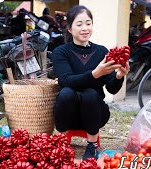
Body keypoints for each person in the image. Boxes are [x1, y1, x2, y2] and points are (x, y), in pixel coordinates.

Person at [52, 5, 130, 160]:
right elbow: (66, 80)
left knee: (90, 94)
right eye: (79, 24)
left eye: (88, 23)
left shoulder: (102, 52)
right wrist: (95, 74)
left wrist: (119, 76)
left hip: (95, 114)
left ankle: (92, 145)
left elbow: (111, 89)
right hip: (67, 114)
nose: (85, 28)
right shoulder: (60, 52)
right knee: (67, 92)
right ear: (69, 28)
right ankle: (60, 143)